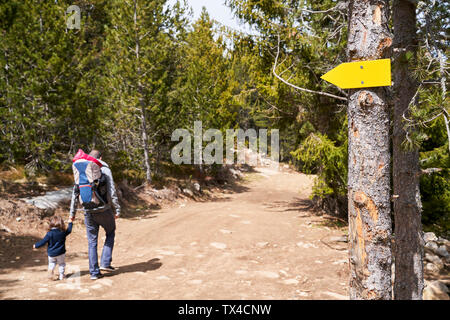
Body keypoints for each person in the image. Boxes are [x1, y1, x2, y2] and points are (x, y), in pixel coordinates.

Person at [69, 149, 121, 280]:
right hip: (104, 209)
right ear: (101, 157)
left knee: (92, 242)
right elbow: (112, 192)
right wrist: (117, 209)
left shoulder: (83, 170)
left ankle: (94, 273)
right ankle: (105, 262)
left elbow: (75, 194)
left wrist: (72, 214)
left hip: (88, 211)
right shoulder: (105, 169)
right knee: (110, 232)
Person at [33, 215, 73, 281]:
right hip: (60, 253)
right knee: (61, 264)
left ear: (51, 224)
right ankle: (62, 275)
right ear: (61, 223)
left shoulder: (49, 233)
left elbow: (43, 241)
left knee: (51, 263)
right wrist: (70, 223)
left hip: (51, 253)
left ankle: (50, 272)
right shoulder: (62, 232)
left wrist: (36, 245)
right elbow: (69, 230)